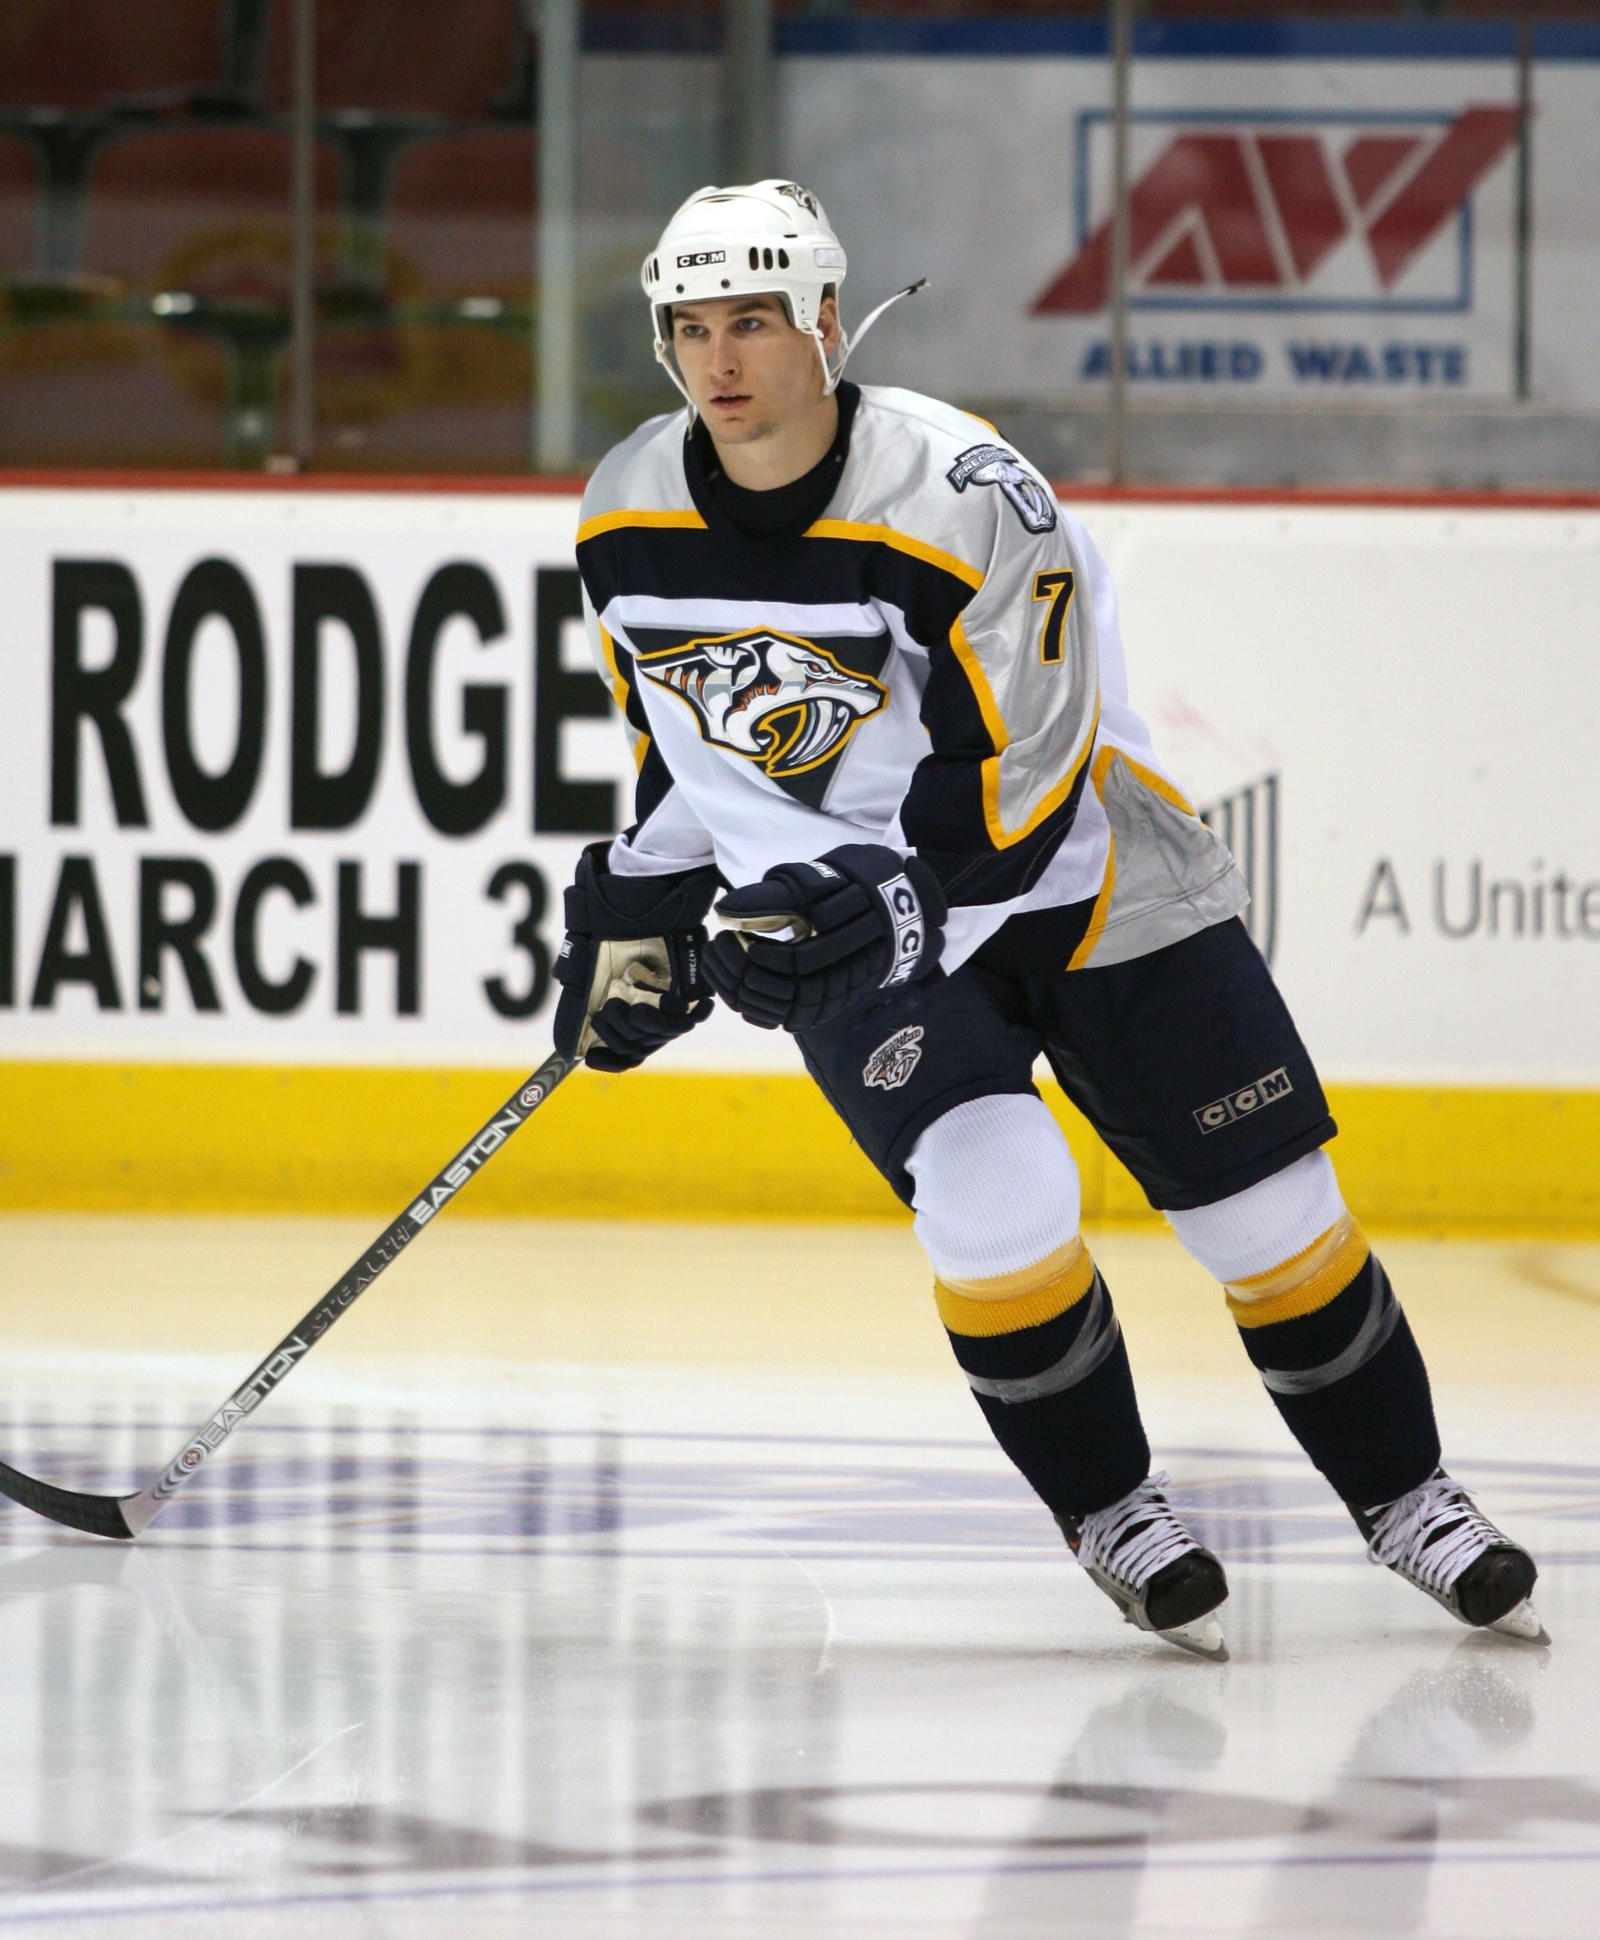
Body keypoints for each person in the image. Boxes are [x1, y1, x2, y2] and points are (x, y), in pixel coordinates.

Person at [552, 179, 1544, 1659]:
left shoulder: (961, 492)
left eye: (753, 318)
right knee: (991, 1196)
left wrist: (885, 907)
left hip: (1086, 882)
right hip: (852, 914)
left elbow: (1021, 778)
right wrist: (635, 907)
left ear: (827, 321)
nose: (720, 358)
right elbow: (694, 750)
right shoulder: (627, 510)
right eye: (691, 326)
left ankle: (1407, 1499)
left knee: (1265, 1217)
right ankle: (1112, 1513)